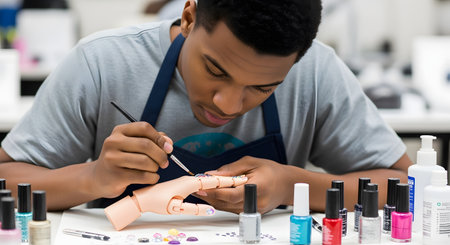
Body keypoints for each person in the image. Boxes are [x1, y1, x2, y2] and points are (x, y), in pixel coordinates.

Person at [0, 0, 412, 213]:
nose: (228, 104)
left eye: (264, 87)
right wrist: (90, 178)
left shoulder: (317, 72)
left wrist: (293, 185)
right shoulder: (102, 64)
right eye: (215, 70)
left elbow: (406, 186)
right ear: (190, 16)